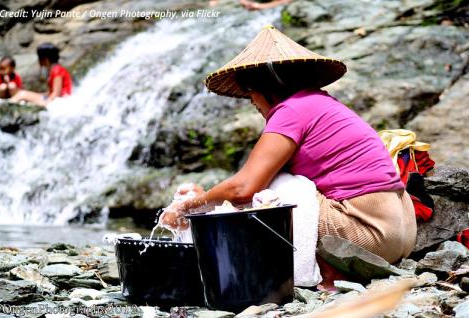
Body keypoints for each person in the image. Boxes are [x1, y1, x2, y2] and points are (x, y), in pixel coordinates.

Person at [161, 25, 417, 289]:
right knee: (269, 185)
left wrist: (189, 206)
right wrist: (208, 202)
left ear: (264, 87)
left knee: (278, 187)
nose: (253, 104)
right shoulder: (320, 104)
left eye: (251, 96)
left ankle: (318, 273)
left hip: (367, 232)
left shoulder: (291, 111)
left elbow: (243, 189)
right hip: (401, 232)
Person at [10, 43, 72, 107]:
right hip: (52, 99)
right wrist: (37, 96)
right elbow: (50, 93)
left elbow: (56, 95)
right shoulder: (53, 70)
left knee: (22, 94)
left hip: (60, 102)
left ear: (45, 59)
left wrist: (37, 102)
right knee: (22, 94)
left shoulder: (57, 70)